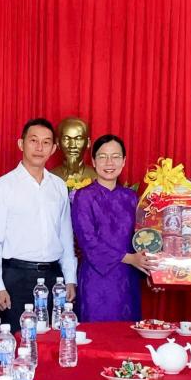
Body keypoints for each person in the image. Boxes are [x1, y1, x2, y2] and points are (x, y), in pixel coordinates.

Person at [0, 118, 77, 332]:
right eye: (33, 140)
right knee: (20, 341)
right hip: (17, 276)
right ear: (21, 144)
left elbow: (65, 237)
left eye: (46, 142)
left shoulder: (58, 186)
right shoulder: (3, 186)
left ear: (53, 148)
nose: (39, 147)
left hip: (54, 277)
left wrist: (70, 279)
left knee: (55, 339)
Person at [71, 134, 152, 322]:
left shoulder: (132, 198)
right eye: (103, 157)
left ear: (124, 161)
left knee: (127, 333)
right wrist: (129, 258)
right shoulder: (83, 197)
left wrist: (151, 270)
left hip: (128, 279)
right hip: (96, 280)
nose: (109, 162)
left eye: (115, 157)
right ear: (93, 161)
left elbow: (141, 239)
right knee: (97, 335)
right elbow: (88, 241)